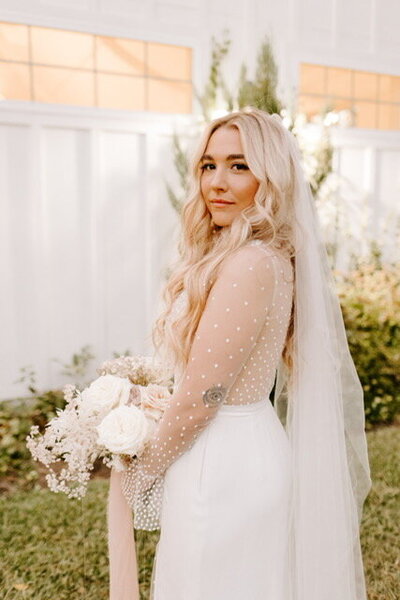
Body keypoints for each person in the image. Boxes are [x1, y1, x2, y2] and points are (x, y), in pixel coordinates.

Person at [108, 107, 372, 600]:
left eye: (239, 165)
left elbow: (203, 397)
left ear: (269, 177)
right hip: (240, 449)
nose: (217, 183)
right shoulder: (256, 254)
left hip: (221, 461)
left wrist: (143, 471)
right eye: (209, 166)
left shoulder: (250, 263)